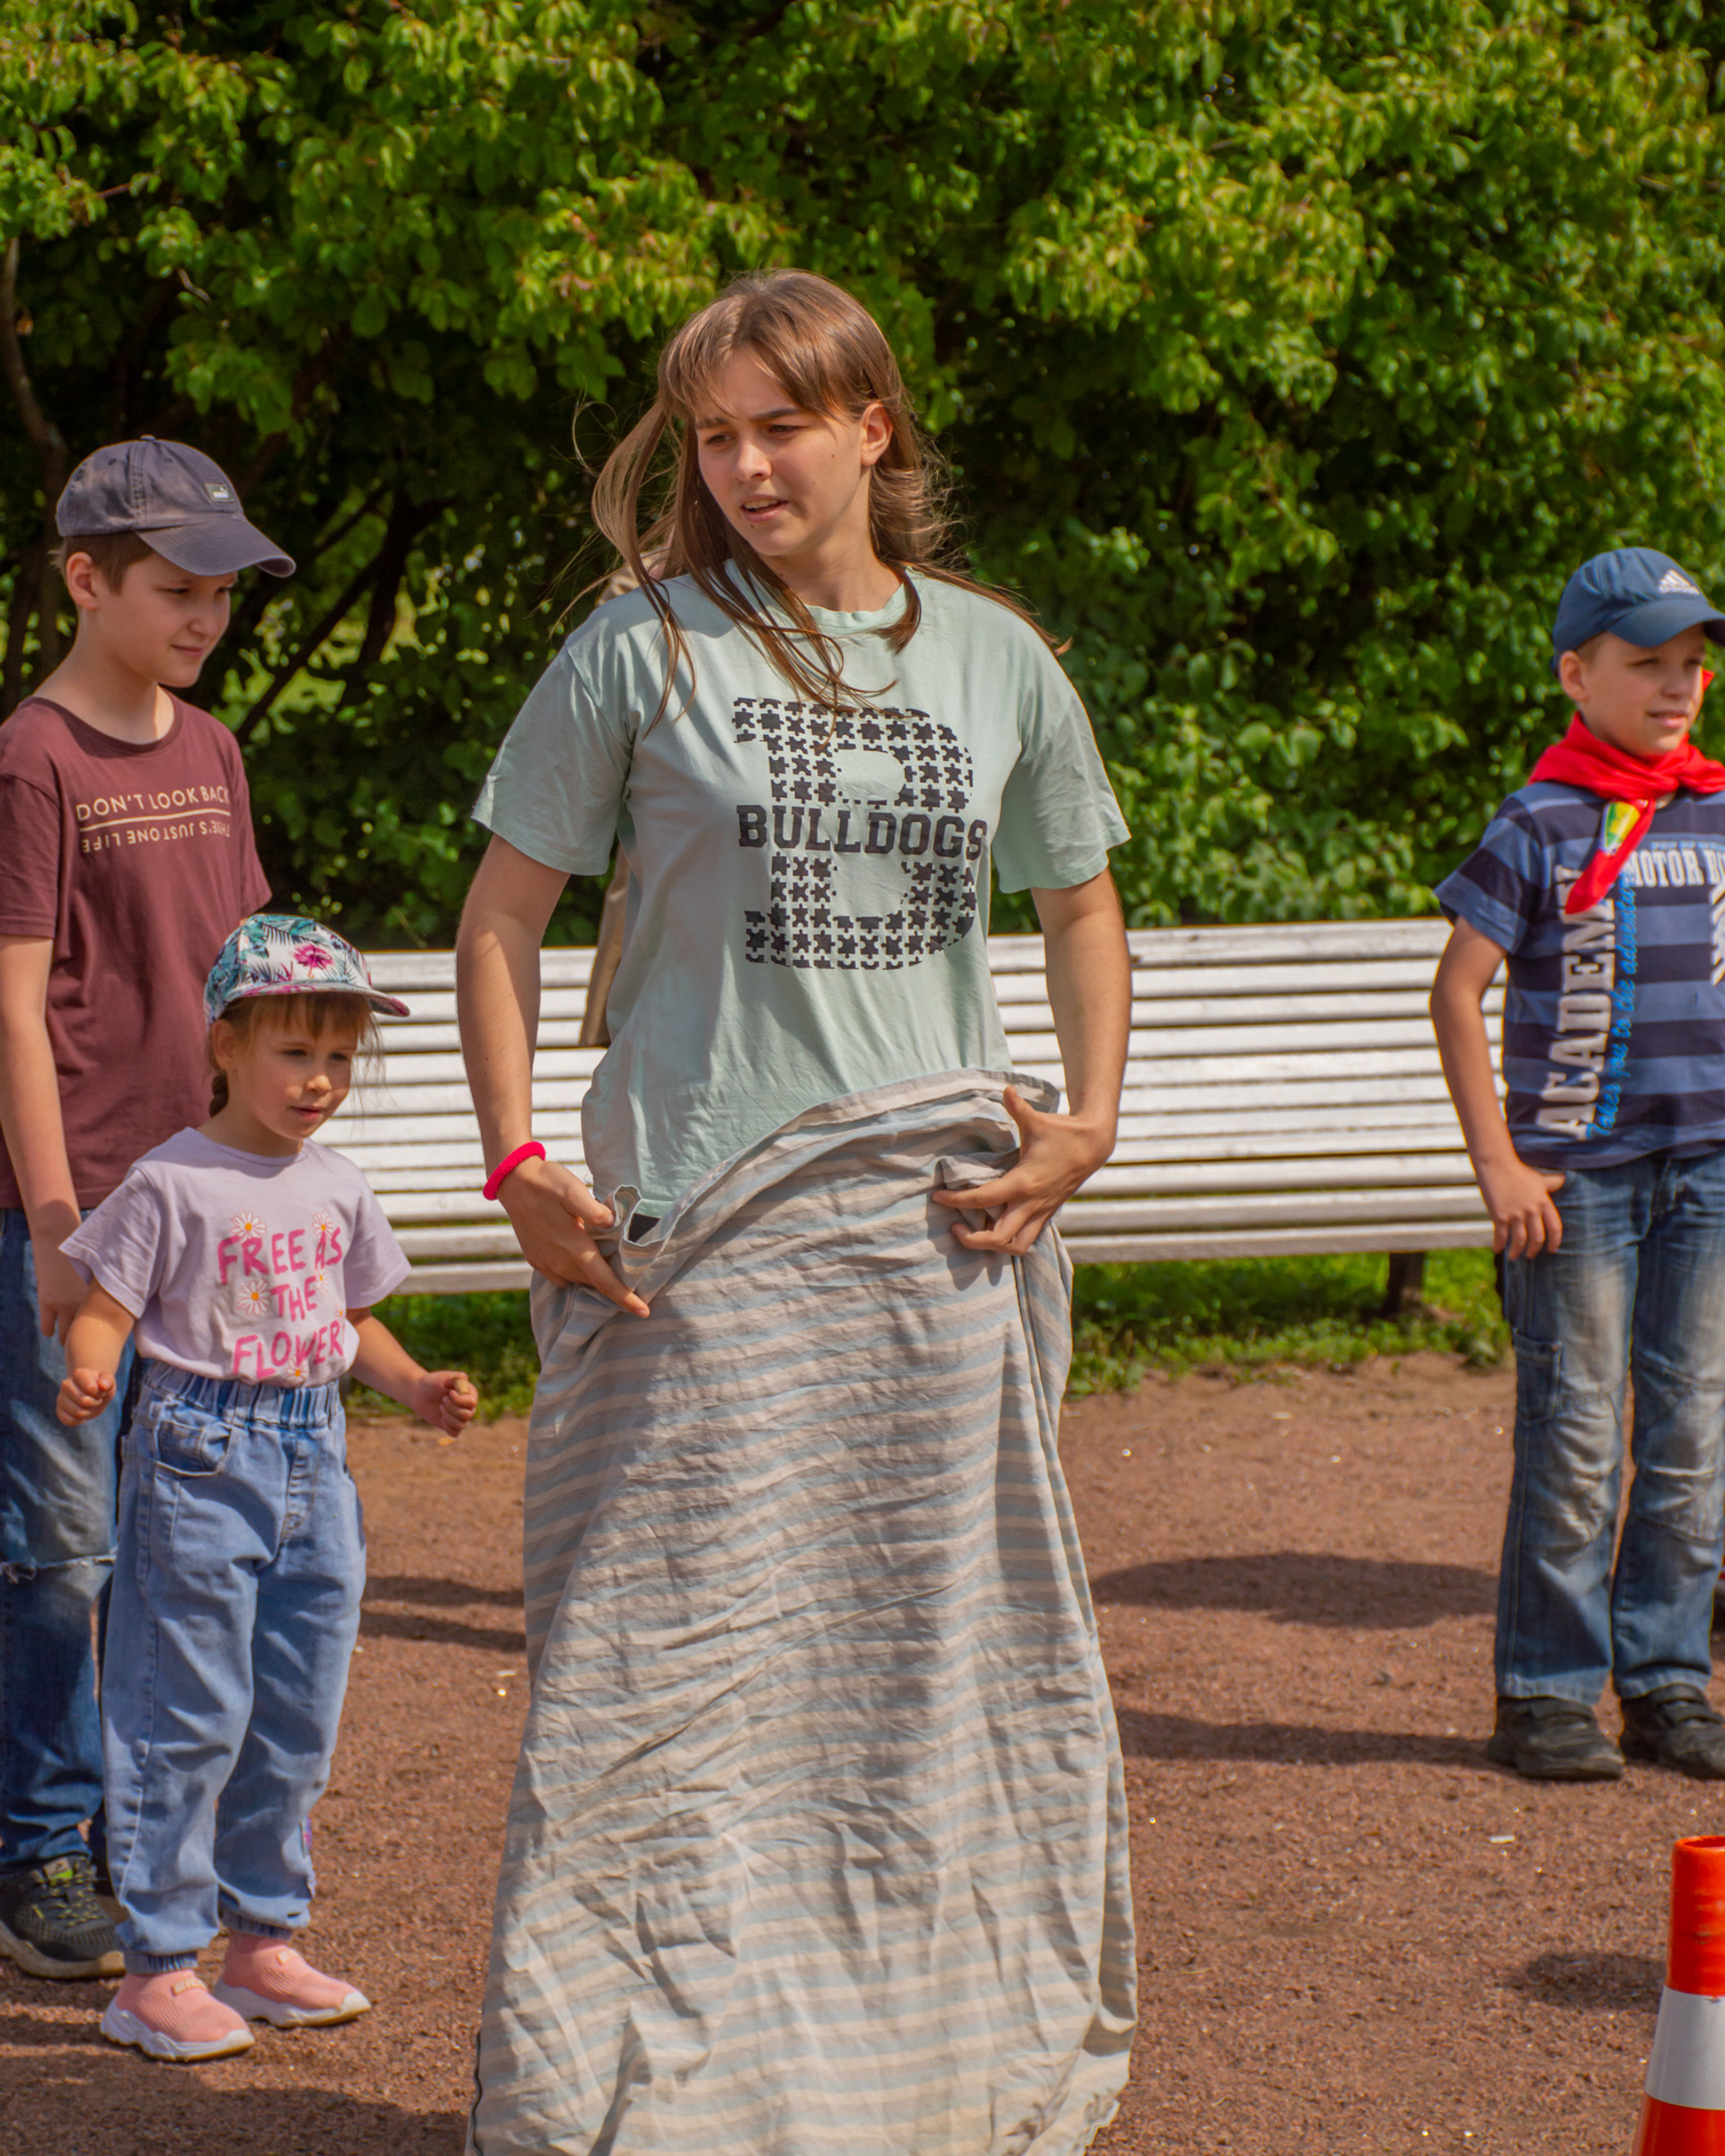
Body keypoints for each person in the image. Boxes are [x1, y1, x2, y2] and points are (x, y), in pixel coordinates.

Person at [456, 270, 1137, 2153]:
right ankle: (656, 2085)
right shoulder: (639, 651)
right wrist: (522, 1167)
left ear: (872, 429)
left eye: (781, 426)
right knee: (662, 1689)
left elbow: (1077, 903)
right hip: (693, 1240)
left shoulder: (997, 661)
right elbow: (501, 923)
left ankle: (895, 2079)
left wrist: (1087, 1124)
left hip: (936, 1237)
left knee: (920, 1683)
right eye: (715, 437)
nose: (746, 465)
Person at [55, 916, 479, 2061]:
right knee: (183, 1713)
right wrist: (95, 1364)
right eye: (296, 1052)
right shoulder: (170, 1180)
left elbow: (351, 1324)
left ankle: (262, 1943)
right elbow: (109, 1303)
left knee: (294, 1714)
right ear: (226, 1046)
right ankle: (155, 1967)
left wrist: (416, 1387)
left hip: (315, 1458)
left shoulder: (337, 1186)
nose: (321, 1081)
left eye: (340, 1058)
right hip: (199, 1457)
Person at [0, 438, 289, 1981]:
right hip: (76, 1217)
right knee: (62, 1547)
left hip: (202, 1218)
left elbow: (244, 976)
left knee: (184, 1539)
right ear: (88, 579)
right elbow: (9, 1008)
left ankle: (148, 1843)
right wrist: (51, 1219)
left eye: (224, 592)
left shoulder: (215, 751)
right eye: (177, 589)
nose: (207, 616)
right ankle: (43, 1846)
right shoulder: (31, 759)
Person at [1431, 546, 1725, 1784]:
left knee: (1695, 1435)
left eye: (1691, 665)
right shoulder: (1538, 820)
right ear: (1576, 673)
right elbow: (1457, 992)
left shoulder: (1717, 809)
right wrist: (1498, 1163)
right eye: (1645, 664)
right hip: (1577, 1187)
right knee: (1575, 1438)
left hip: (1707, 1174)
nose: (1676, 688)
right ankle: (1547, 1694)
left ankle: (1666, 1684)